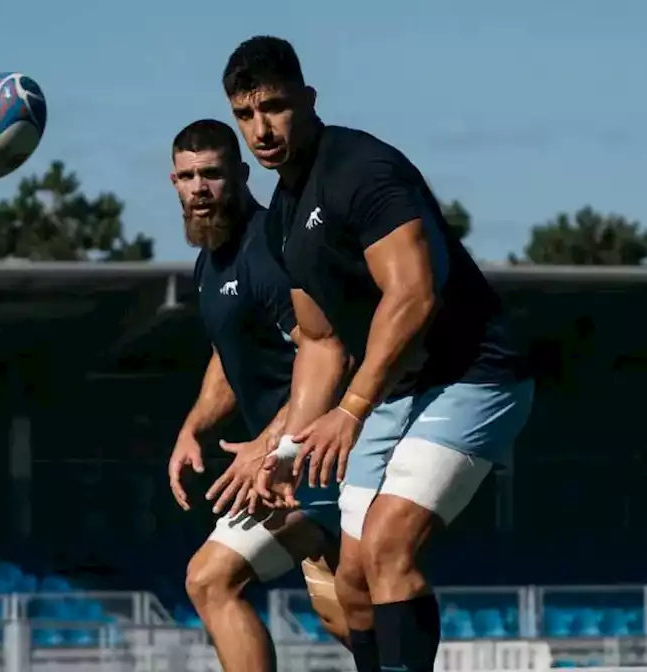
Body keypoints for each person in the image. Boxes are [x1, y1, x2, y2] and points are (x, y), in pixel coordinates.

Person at [219, 36, 536, 672]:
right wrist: (284, 447)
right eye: (246, 115)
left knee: (390, 546)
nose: (262, 128)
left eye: (275, 107)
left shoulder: (361, 168)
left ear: (307, 100)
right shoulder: (280, 218)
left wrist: (354, 409)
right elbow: (320, 342)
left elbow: (414, 293)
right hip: (395, 391)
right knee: (355, 580)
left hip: (474, 374)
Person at [165, 119, 360, 671]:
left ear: (241, 175)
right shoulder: (211, 259)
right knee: (347, 617)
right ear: (173, 182)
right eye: (187, 176)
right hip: (287, 461)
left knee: (210, 580)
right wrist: (193, 427)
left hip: (315, 458)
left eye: (212, 174)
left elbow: (325, 350)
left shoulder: (268, 249)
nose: (199, 188)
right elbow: (230, 357)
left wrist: (271, 445)